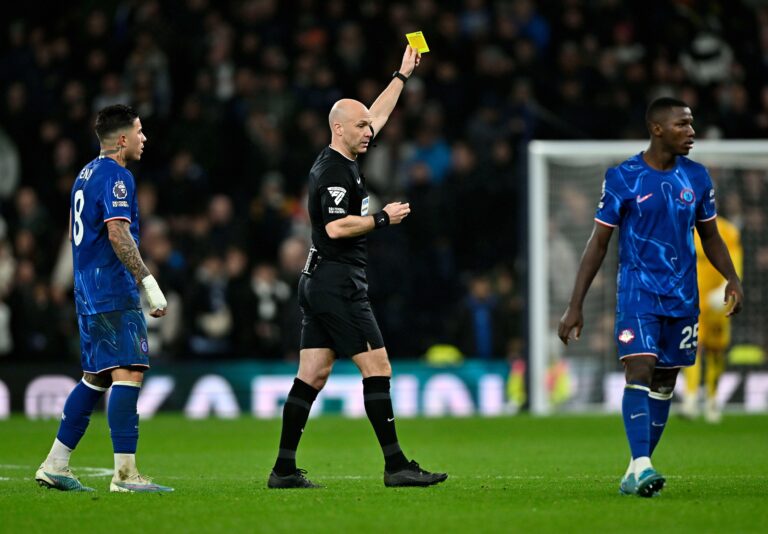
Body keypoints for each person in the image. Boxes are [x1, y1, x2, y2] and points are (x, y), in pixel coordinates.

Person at [267, 46, 448, 489]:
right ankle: (396, 465)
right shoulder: (332, 171)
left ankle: (284, 469)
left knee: (312, 374)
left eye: (369, 124)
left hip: (318, 279)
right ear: (338, 128)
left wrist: (401, 75)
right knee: (379, 366)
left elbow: (380, 114)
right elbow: (334, 227)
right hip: (336, 281)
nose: (371, 130)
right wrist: (382, 218)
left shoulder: (346, 156)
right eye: (361, 125)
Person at [557, 97, 743, 498]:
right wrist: (576, 304)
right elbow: (598, 242)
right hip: (638, 292)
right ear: (657, 129)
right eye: (683, 125)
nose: (691, 132)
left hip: (682, 296)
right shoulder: (624, 177)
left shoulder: (697, 177)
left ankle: (634, 468)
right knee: (639, 369)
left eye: (691, 124)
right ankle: (643, 464)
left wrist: (732, 277)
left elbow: (710, 235)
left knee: (664, 381)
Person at [35, 104, 173, 493]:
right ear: (123, 138)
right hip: (112, 289)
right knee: (128, 371)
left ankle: (55, 463)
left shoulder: (84, 174)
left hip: (87, 289)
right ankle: (126, 475)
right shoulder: (117, 175)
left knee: (95, 377)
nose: (145, 139)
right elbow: (117, 233)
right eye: (140, 131)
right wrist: (147, 282)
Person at [682, 216, 743, 422]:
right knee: (692, 347)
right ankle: (690, 399)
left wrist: (724, 288)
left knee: (716, 351)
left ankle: (712, 399)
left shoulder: (728, 231)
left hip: (718, 302)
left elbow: (736, 262)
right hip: (693, 302)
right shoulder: (685, 227)